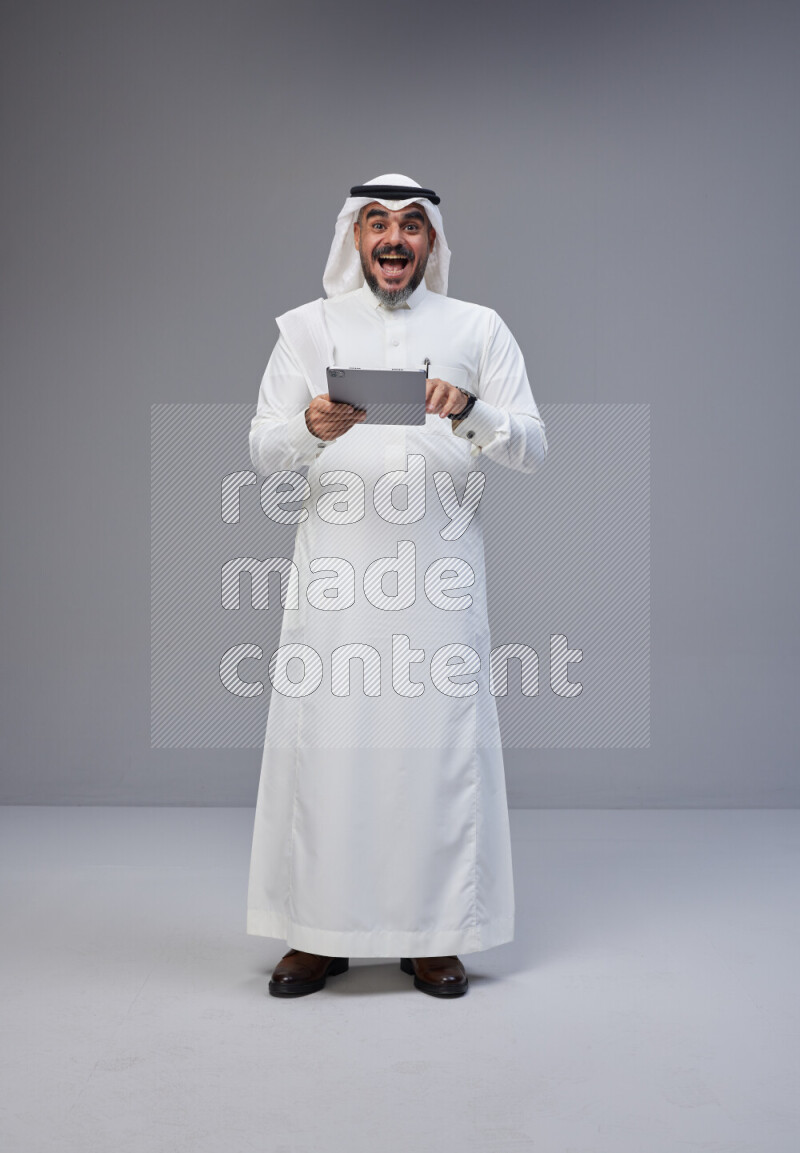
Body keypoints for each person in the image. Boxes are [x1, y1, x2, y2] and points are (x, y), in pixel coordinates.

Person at [246, 173, 547, 998]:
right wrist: (309, 426)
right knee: (328, 749)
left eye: (412, 226)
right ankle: (316, 932)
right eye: (375, 222)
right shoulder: (306, 330)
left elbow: (532, 444)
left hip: (438, 581)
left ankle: (433, 934)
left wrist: (473, 411)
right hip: (337, 580)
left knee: (434, 752)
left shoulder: (478, 328)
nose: (393, 237)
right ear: (353, 237)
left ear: (433, 243)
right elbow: (262, 449)